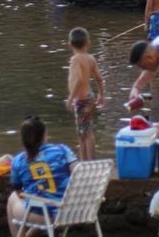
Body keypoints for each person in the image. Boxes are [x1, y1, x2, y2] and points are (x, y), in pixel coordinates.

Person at [6, 117, 78, 237]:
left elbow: (19, 192)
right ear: (45, 134)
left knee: (13, 199)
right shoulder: (63, 150)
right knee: (43, 201)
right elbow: (78, 175)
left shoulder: (19, 160)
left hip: (46, 215)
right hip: (69, 211)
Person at [65, 27, 105, 161]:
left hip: (81, 100)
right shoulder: (91, 58)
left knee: (84, 133)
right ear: (88, 43)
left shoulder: (75, 59)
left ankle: (86, 162)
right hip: (90, 97)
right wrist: (101, 95)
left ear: (70, 44)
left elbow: (80, 79)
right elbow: (99, 78)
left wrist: (70, 99)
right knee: (86, 130)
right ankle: (87, 161)